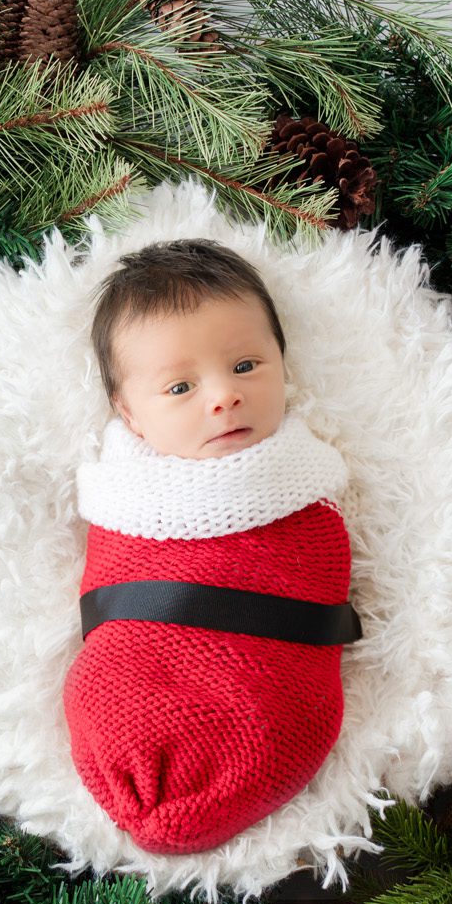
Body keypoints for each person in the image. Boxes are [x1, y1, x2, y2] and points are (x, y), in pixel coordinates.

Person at [64, 238, 362, 855]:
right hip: (134, 681)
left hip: (272, 701)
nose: (223, 396)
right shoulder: (124, 493)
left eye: (246, 366)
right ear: (129, 415)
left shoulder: (301, 479)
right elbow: (114, 591)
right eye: (180, 388)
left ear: (283, 362)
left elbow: (317, 569)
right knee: (112, 683)